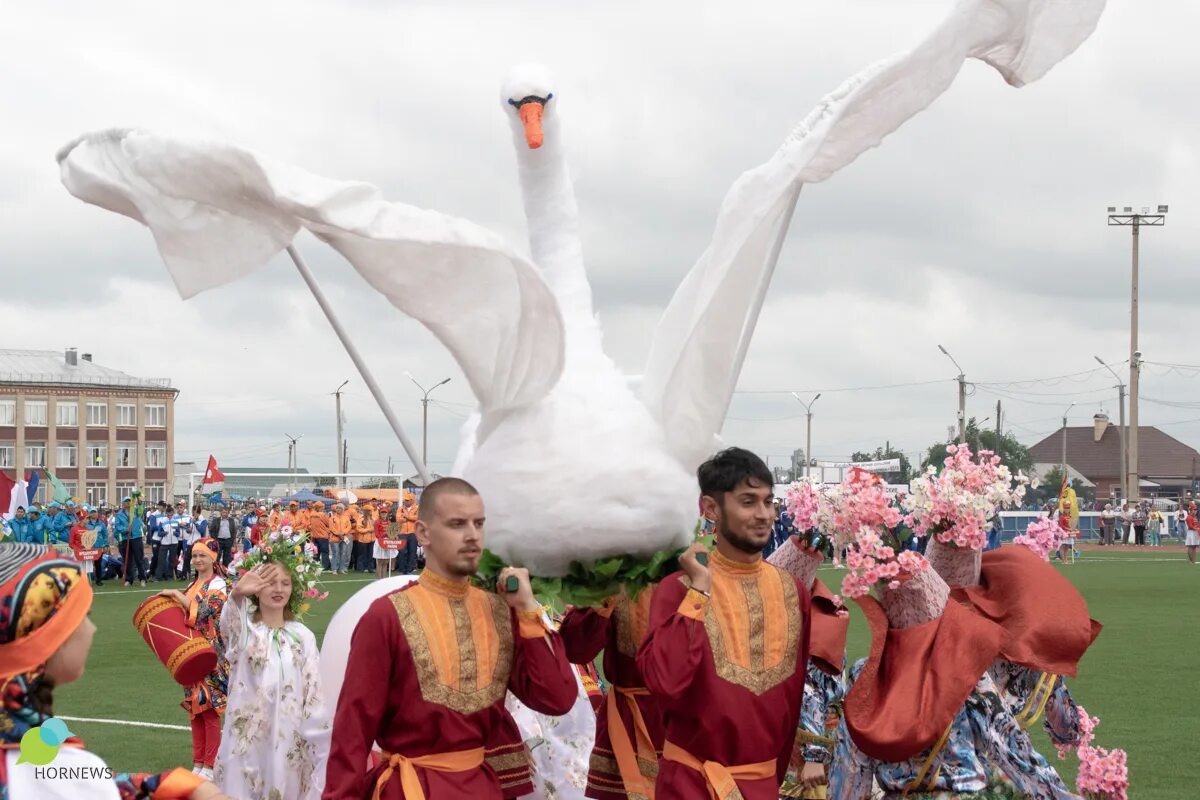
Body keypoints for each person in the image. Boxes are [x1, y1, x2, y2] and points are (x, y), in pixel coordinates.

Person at [323, 477, 579, 799]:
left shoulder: (498, 611)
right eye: (457, 524)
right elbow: (352, 731)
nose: (472, 535)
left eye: (479, 523)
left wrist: (528, 609)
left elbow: (556, 698)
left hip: (481, 786)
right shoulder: (386, 615)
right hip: (411, 788)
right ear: (423, 533)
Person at [636, 447, 813, 800]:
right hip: (691, 786)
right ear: (711, 509)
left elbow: (792, 698)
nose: (764, 514)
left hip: (762, 785)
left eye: (768, 501)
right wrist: (700, 590)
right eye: (748, 502)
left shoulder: (792, 590)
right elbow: (664, 682)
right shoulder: (678, 589)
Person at [0, 543, 233, 799]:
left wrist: (173, 785)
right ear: (49, 639)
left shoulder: (34, 751)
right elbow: (95, 787)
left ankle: (205, 765)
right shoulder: (53, 765)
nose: (92, 628)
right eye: (82, 617)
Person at [216, 536, 332, 799]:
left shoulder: (302, 636)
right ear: (257, 588)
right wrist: (237, 594)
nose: (278, 589)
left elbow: (315, 693)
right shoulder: (247, 633)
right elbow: (228, 630)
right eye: (270, 582)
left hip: (289, 740)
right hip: (247, 741)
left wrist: (321, 741)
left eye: (285, 583)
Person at [560, 584, 665, 800]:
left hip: (682, 724)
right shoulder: (617, 575)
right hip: (627, 723)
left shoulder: (694, 574)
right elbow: (575, 649)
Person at [158, 538, 230, 779]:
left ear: (214, 558)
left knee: (208, 709)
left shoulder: (218, 583)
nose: (198, 560)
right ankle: (198, 763)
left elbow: (207, 610)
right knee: (195, 708)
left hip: (211, 654)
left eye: (203, 555)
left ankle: (211, 764)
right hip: (191, 652)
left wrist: (177, 595)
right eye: (195, 555)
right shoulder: (193, 583)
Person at [113, 495, 149, 587]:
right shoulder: (119, 514)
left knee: (139, 559)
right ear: (123, 503)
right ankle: (129, 579)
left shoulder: (136, 510)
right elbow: (117, 526)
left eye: (129, 501)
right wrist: (125, 529)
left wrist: (140, 503)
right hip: (126, 538)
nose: (128, 503)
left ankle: (142, 578)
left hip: (136, 537)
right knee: (128, 560)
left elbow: (141, 511)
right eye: (126, 501)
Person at [373, 503, 399, 579]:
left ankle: (383, 579)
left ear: (387, 513)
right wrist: (385, 535)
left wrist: (394, 536)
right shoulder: (377, 522)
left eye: (385, 513)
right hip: (380, 542)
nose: (384, 514)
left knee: (385, 562)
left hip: (387, 542)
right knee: (380, 562)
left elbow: (392, 533)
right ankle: (379, 579)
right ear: (380, 513)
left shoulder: (389, 522)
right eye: (382, 513)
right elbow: (377, 534)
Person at [395, 493, 419, 574]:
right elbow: (398, 519)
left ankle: (410, 569)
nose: (405, 501)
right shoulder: (400, 508)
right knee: (402, 551)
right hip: (402, 533)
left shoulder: (417, 508)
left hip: (413, 533)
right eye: (405, 500)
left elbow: (418, 518)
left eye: (407, 500)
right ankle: (402, 569)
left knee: (412, 551)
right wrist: (407, 519)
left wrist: (407, 517)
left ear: (412, 501)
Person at [330, 502, 353, 575]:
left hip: (344, 537)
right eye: (337, 508)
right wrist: (338, 534)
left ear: (343, 509)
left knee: (343, 553)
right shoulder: (332, 518)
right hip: (334, 538)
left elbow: (349, 526)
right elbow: (331, 528)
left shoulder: (346, 517)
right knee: (335, 553)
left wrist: (343, 533)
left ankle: (341, 569)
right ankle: (334, 569)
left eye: (340, 508)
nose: (338, 509)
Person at [352, 503, 377, 573]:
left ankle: (370, 568)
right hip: (363, 540)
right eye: (369, 511)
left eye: (371, 510)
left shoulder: (373, 519)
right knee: (362, 555)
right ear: (366, 511)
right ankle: (361, 568)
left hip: (372, 539)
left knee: (371, 554)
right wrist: (368, 530)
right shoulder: (361, 519)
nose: (371, 512)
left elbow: (376, 527)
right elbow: (359, 529)